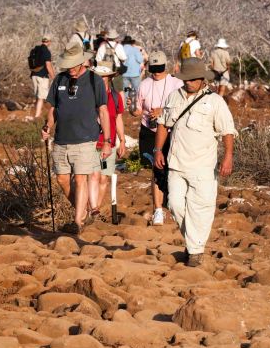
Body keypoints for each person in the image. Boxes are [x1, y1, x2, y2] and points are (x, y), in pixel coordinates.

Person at [153, 58, 237, 267]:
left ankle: (195, 252)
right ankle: (194, 245)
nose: (188, 82)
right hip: (176, 163)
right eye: (186, 79)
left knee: (201, 208)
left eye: (193, 79)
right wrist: (157, 151)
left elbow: (227, 130)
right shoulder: (174, 96)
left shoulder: (215, 101)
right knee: (174, 204)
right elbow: (163, 124)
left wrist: (228, 156)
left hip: (203, 166)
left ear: (202, 79)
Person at [42, 45, 112, 234]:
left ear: (82, 62)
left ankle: (77, 222)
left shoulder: (94, 80)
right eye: (68, 65)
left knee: (81, 178)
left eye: (74, 65)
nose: (70, 68)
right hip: (61, 139)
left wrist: (107, 140)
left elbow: (103, 110)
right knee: (62, 179)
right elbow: (53, 108)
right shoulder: (59, 79)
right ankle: (84, 211)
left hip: (85, 139)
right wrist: (48, 126)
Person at [134, 51, 183, 226]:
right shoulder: (144, 85)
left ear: (166, 67)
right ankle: (158, 210)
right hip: (150, 130)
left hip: (172, 132)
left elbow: (183, 105)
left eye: (159, 69)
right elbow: (138, 109)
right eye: (153, 69)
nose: (156, 73)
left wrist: (162, 111)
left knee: (173, 168)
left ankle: (174, 204)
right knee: (156, 169)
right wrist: (135, 110)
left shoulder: (177, 83)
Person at [89, 61, 126, 216]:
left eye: (104, 77)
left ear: (109, 78)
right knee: (94, 176)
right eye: (98, 77)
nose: (101, 80)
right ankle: (93, 209)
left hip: (108, 143)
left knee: (104, 179)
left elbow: (118, 119)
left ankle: (94, 208)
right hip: (90, 141)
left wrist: (122, 140)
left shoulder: (116, 97)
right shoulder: (88, 95)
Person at [29, 34, 54, 119]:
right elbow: (48, 65)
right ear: (49, 42)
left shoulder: (36, 49)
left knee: (38, 96)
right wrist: (53, 77)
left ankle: (37, 113)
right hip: (42, 76)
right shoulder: (46, 51)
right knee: (41, 97)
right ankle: (37, 115)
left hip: (34, 75)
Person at [121, 35, 145, 109]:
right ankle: (136, 106)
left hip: (124, 73)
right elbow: (140, 60)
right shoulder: (135, 49)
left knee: (125, 90)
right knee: (137, 90)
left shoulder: (121, 49)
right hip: (135, 73)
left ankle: (124, 106)